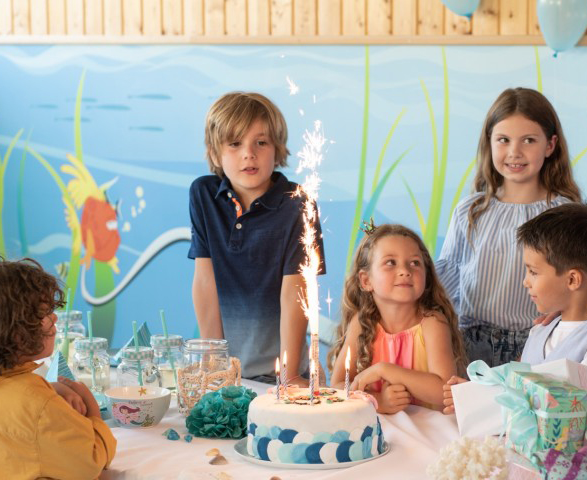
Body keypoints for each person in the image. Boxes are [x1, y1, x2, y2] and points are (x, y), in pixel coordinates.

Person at [442, 204, 587, 413]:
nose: (525, 282)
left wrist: (484, 402)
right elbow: (516, 387)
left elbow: (576, 411)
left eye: (533, 272)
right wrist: (474, 393)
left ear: (572, 279)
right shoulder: (541, 330)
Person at [435, 87, 583, 367]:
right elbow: (448, 276)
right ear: (489, 143)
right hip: (470, 346)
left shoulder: (565, 213)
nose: (514, 152)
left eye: (529, 140)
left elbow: (581, 285)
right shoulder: (471, 210)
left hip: (537, 346)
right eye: (503, 140)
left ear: (550, 145)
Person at [0, 256, 116, 479]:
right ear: (17, 334)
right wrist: (94, 415)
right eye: (45, 314)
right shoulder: (38, 404)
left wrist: (49, 389)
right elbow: (90, 464)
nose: (54, 319)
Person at [189, 91, 325, 384]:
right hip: (227, 374)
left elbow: (296, 292)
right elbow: (204, 280)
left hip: (278, 375)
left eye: (261, 143)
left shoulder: (298, 205)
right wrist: (213, 364)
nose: (248, 154)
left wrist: (289, 377)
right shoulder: (203, 195)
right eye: (235, 144)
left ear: (277, 149)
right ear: (215, 153)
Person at [328, 224, 466, 414]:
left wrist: (386, 370)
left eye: (415, 263)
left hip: (429, 433)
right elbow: (336, 386)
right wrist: (378, 401)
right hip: (378, 431)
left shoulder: (433, 323)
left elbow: (446, 393)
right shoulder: (361, 323)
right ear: (366, 280)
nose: (405, 271)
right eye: (391, 262)